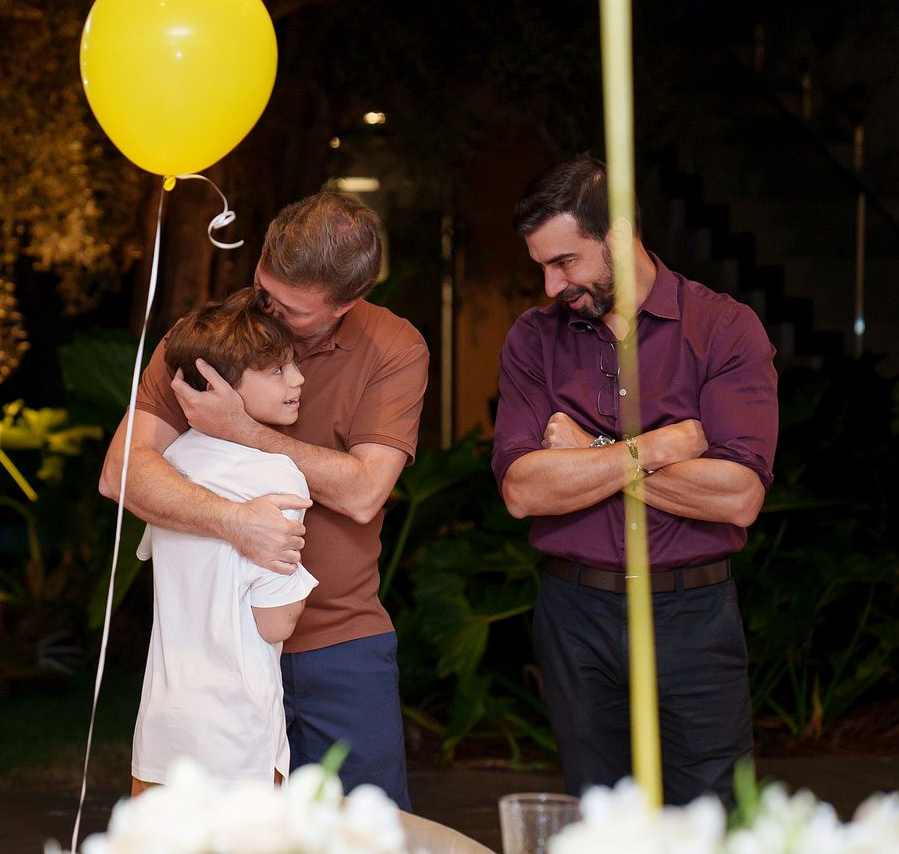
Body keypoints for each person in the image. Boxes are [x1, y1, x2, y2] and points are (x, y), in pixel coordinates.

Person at [101, 191, 428, 810]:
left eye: (292, 308)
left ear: (345, 304)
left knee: (365, 835)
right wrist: (234, 522)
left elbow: (364, 492)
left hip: (340, 645)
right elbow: (122, 474)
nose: (267, 308)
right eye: (264, 286)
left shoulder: (393, 345)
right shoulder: (210, 338)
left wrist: (242, 428)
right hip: (216, 657)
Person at [491, 154, 778, 805]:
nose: (550, 285)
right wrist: (657, 448)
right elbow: (524, 491)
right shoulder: (534, 339)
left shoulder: (723, 328)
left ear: (618, 236)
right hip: (576, 615)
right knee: (599, 820)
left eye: (564, 262)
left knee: (711, 820)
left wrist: (587, 453)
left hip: (693, 613)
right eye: (541, 265)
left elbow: (738, 496)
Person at [130, 288, 318, 793]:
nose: (297, 379)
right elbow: (274, 621)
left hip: (163, 723)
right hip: (235, 730)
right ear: (217, 384)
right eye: (276, 370)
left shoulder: (171, 464)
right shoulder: (277, 474)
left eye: (293, 364)